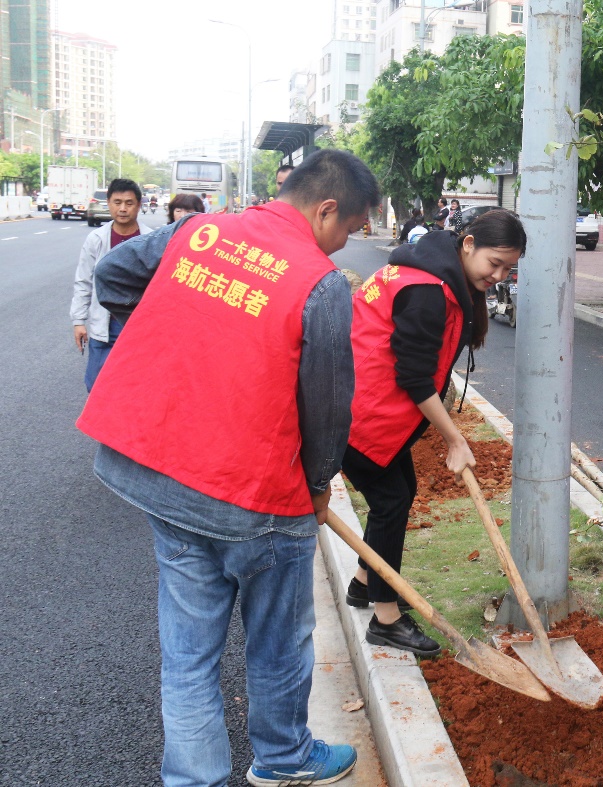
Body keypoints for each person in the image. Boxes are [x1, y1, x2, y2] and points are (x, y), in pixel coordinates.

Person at [77, 148, 381, 787]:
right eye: (348, 229)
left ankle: (194, 780)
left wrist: (189, 321)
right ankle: (283, 757)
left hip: (171, 481)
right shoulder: (318, 283)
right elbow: (328, 406)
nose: (344, 245)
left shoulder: (200, 231)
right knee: (277, 645)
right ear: (325, 209)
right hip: (259, 498)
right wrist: (320, 483)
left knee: (187, 657)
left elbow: (113, 277)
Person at [340, 209, 522, 656]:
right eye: (493, 263)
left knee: (400, 490)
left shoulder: (428, 269)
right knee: (390, 501)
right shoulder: (426, 289)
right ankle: (386, 619)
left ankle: (365, 582)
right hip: (360, 411)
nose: (497, 276)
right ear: (468, 244)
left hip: (366, 403)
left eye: (507, 269)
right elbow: (415, 378)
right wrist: (455, 439)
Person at [70, 178, 151, 392]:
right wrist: (79, 320)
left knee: (134, 385)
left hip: (137, 325)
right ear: (108, 203)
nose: (122, 209)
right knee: (96, 386)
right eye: (117, 202)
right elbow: (83, 281)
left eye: (129, 203)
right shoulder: (96, 239)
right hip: (104, 323)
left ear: (139, 204)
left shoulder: (151, 239)